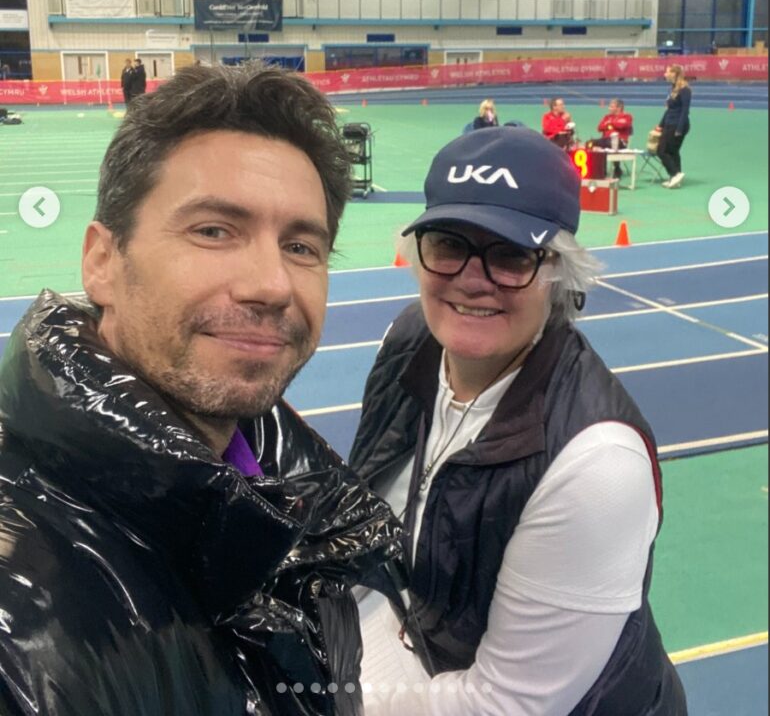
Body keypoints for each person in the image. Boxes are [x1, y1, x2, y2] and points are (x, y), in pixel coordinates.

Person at [0, 64, 401, 716]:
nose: (271, 284)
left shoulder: (284, 489)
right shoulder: (20, 630)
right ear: (102, 261)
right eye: (214, 230)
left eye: (302, 246)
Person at [350, 126, 687, 716]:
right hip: (430, 646)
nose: (472, 279)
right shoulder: (410, 341)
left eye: (511, 255)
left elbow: (506, 705)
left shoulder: (597, 466)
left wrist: (321, 702)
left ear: (559, 272)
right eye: (448, 244)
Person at [654, 64, 691, 188]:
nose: (665, 74)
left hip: (677, 124)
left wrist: (679, 129)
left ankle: (675, 173)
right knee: (673, 151)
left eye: (667, 71)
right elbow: (669, 109)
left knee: (661, 151)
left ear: (674, 74)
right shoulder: (672, 88)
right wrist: (661, 124)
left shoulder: (685, 90)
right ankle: (675, 178)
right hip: (669, 123)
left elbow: (685, 110)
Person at [592, 98, 634, 178]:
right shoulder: (607, 117)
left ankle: (617, 169)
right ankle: (601, 171)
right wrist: (611, 125)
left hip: (621, 142)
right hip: (605, 141)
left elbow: (622, 125)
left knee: (610, 143)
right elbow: (599, 127)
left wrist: (610, 124)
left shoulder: (627, 116)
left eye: (611, 106)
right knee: (591, 143)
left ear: (619, 108)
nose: (609, 108)